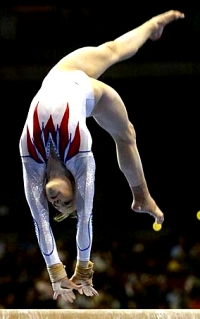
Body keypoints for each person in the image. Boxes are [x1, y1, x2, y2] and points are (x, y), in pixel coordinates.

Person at [19, 9, 185, 303]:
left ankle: (151, 26)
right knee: (126, 133)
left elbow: (40, 220)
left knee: (111, 49)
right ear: (74, 184)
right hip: (93, 93)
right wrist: (81, 269)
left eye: (57, 204)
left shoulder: (31, 159)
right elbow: (85, 217)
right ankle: (142, 195)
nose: (57, 202)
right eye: (68, 201)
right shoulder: (80, 153)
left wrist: (56, 272)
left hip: (61, 74)